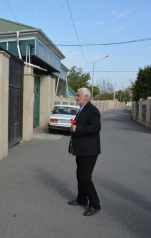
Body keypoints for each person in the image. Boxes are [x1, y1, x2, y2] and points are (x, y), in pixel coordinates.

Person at [68, 88, 101, 216]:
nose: (76, 97)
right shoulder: (82, 109)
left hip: (89, 150)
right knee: (80, 175)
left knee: (85, 177)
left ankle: (95, 204)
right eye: (76, 95)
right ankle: (82, 199)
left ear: (86, 96)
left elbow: (96, 127)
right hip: (82, 149)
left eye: (78, 95)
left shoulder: (92, 110)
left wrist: (77, 128)